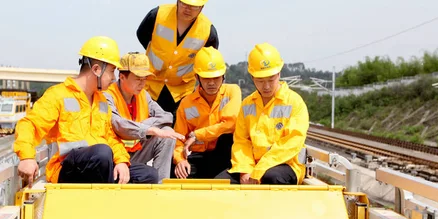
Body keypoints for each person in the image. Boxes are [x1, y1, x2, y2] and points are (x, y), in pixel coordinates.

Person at [14, 36, 158, 186]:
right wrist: (26, 157)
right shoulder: (58, 95)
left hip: (100, 163)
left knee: (148, 175)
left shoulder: (101, 101)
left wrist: (121, 161)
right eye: (111, 71)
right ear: (96, 69)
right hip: (68, 167)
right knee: (102, 154)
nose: (113, 79)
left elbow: (110, 137)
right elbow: (29, 124)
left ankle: (111, 195)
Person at [216, 43, 309, 185]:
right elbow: (241, 141)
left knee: (271, 178)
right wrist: (245, 169)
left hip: (285, 164)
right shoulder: (247, 104)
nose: (266, 86)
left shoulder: (294, 102)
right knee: (221, 183)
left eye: (271, 80)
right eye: (260, 80)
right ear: (252, 77)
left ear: (279, 73)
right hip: (251, 166)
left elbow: (291, 142)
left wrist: (259, 170)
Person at [136, 0, 219, 117]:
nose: (188, 8)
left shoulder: (208, 32)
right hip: (150, 85)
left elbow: (206, 60)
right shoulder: (157, 15)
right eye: (184, 3)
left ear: (202, 6)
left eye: (194, 6)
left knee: (176, 134)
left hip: (180, 93)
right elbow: (142, 35)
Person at [105, 52, 185, 182]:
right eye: (138, 78)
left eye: (144, 78)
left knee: (167, 133)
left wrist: (144, 125)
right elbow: (118, 124)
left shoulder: (144, 95)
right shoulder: (107, 96)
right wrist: (149, 129)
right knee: (161, 131)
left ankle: (161, 184)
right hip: (115, 156)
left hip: (135, 152)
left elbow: (166, 117)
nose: (142, 83)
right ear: (122, 76)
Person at [173, 47, 241, 179]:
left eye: (216, 78)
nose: (211, 83)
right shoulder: (186, 103)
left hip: (225, 156)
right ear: (197, 77)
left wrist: (197, 135)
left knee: (226, 137)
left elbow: (231, 124)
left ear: (223, 76)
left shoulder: (233, 91)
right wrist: (180, 160)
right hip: (197, 156)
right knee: (177, 173)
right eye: (206, 78)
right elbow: (179, 140)